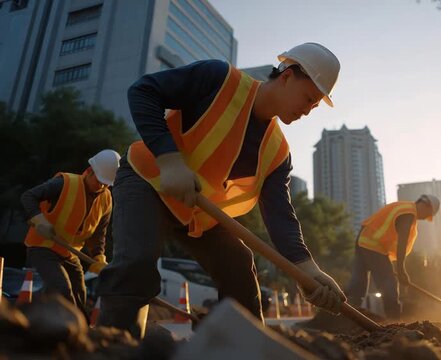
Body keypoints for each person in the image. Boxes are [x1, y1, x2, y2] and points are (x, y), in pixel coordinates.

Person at [96, 43, 346, 337]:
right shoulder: (219, 79)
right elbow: (143, 91)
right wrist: (169, 158)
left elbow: (280, 215)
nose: (307, 110)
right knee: (137, 263)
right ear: (288, 75)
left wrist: (308, 269)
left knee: (239, 265)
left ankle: (246, 348)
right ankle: (114, 345)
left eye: (314, 106)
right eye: (308, 98)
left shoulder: (278, 152)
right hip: (147, 180)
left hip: (196, 209)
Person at [21, 149, 120, 310]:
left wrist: (98, 257)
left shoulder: (106, 200)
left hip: (69, 253)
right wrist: (39, 220)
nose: (102, 186)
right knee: (62, 290)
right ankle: (63, 331)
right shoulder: (64, 184)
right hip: (43, 247)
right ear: (89, 171)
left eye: (106, 183)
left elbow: (98, 234)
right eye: (100, 180)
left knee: (80, 294)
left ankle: (80, 330)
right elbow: (28, 196)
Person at [346, 194, 440, 320]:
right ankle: (394, 323)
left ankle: (346, 317)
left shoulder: (402, 206)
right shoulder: (408, 213)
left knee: (357, 284)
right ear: (426, 205)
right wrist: (401, 271)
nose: (424, 219)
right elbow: (402, 242)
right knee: (388, 285)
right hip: (374, 246)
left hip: (362, 240)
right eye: (427, 215)